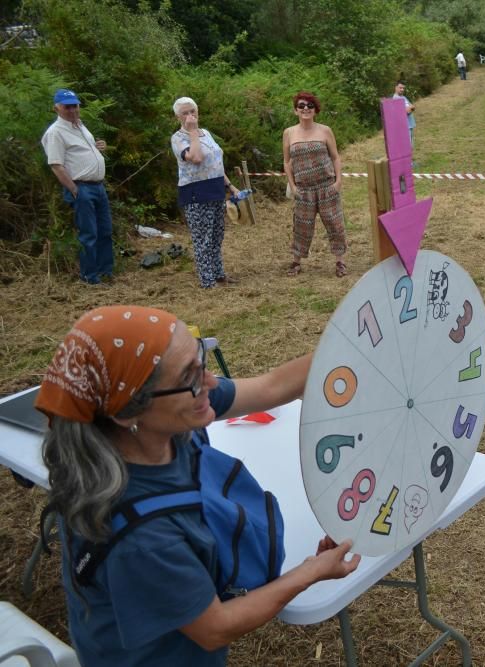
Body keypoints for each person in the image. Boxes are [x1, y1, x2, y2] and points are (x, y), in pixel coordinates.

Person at [35, 305, 361, 665]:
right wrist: (312, 571)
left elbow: (273, 385)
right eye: (190, 375)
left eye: (200, 358)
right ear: (127, 412)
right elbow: (215, 628)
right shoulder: (141, 537)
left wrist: (354, 346)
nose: (209, 381)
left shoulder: (167, 418)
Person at [40, 88, 114, 285]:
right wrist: (74, 189)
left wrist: (98, 147)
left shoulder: (80, 126)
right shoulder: (55, 132)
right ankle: (90, 277)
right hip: (82, 187)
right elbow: (56, 165)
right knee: (89, 234)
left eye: (75, 106)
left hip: (98, 186)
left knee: (105, 230)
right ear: (57, 108)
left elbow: (80, 152)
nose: (72, 110)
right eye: (67, 107)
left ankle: (105, 271)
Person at [170, 97, 241, 289]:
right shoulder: (178, 138)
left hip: (216, 188)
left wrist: (230, 186)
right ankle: (207, 280)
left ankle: (219, 274)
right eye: (185, 113)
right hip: (196, 192)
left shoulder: (206, 133)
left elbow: (216, 163)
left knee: (217, 236)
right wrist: (192, 132)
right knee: (203, 238)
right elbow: (197, 158)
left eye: (192, 111)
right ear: (178, 117)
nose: (190, 116)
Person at [282, 91, 346, 278]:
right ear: (295, 110)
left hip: (327, 187)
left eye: (310, 106)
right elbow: (286, 162)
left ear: (315, 110)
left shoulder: (325, 130)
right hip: (304, 190)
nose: (306, 109)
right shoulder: (289, 133)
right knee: (301, 226)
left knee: (335, 225)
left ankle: (340, 262)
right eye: (301, 106)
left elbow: (335, 157)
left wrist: (338, 182)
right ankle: (296, 262)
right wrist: (293, 186)